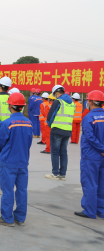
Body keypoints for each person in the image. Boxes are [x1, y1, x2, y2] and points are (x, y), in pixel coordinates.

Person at [0, 92, 32, 227]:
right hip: (23, 162)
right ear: (22, 107)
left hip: (8, 162)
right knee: (22, 190)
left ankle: (7, 218)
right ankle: (20, 218)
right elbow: (29, 142)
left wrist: (4, 152)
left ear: (10, 106)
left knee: (8, 191)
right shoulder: (28, 123)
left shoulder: (7, 123)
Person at [75, 90, 104, 219]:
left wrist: (102, 149)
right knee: (102, 183)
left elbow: (90, 138)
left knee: (90, 183)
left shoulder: (88, 117)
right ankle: (101, 210)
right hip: (101, 156)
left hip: (92, 156)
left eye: (88, 100)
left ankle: (90, 211)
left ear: (91, 102)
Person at [45, 85, 75, 181]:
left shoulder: (58, 102)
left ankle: (55, 174)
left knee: (55, 152)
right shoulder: (72, 103)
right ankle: (62, 174)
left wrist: (50, 125)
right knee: (63, 153)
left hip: (57, 130)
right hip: (67, 131)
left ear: (57, 93)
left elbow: (50, 116)